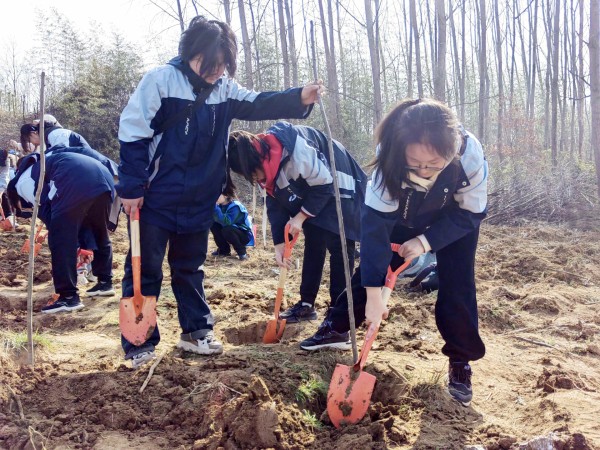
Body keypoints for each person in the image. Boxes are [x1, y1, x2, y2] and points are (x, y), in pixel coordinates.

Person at [116, 15, 323, 369]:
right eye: (209, 65)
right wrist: (132, 187)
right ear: (190, 53)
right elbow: (133, 134)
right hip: (156, 197)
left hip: (200, 198)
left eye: (222, 66)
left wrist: (298, 98)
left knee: (190, 267)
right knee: (143, 269)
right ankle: (139, 341)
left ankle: (195, 331)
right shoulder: (160, 81)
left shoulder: (224, 88)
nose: (215, 72)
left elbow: (260, 103)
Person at [299, 98, 488, 407]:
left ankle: (460, 362)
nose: (425, 171)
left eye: (434, 164)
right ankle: (338, 327)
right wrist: (375, 298)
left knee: (457, 283)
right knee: (372, 270)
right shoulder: (388, 164)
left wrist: (426, 242)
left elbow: (470, 214)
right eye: (415, 164)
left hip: (455, 219)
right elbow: (374, 233)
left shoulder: (469, 160)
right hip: (403, 212)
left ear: (451, 151)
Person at [227, 121, 366, 326]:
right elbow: (274, 203)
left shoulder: (295, 149)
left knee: (340, 245)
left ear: (256, 159)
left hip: (340, 186)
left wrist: (300, 217)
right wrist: (279, 245)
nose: (255, 179)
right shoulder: (266, 167)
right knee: (314, 241)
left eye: (253, 173)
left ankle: (338, 311)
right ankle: (307, 304)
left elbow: (325, 184)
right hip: (313, 191)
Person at [7, 151, 115, 313]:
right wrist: (83, 245)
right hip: (104, 178)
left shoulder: (21, 183)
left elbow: (51, 218)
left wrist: (73, 244)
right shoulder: (42, 165)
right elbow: (80, 222)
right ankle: (105, 282)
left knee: (60, 240)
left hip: (75, 179)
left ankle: (69, 297)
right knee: (98, 230)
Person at [210, 194, 254, 260]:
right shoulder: (220, 206)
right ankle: (224, 250)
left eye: (218, 195)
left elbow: (227, 222)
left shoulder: (235, 207)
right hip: (229, 231)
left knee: (227, 229)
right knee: (213, 224)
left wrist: (215, 208)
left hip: (243, 235)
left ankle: (242, 253)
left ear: (226, 196)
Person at [20, 114, 91, 153]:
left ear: (33, 133)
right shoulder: (50, 137)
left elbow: (64, 157)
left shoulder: (55, 135)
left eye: (29, 140)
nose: (34, 144)